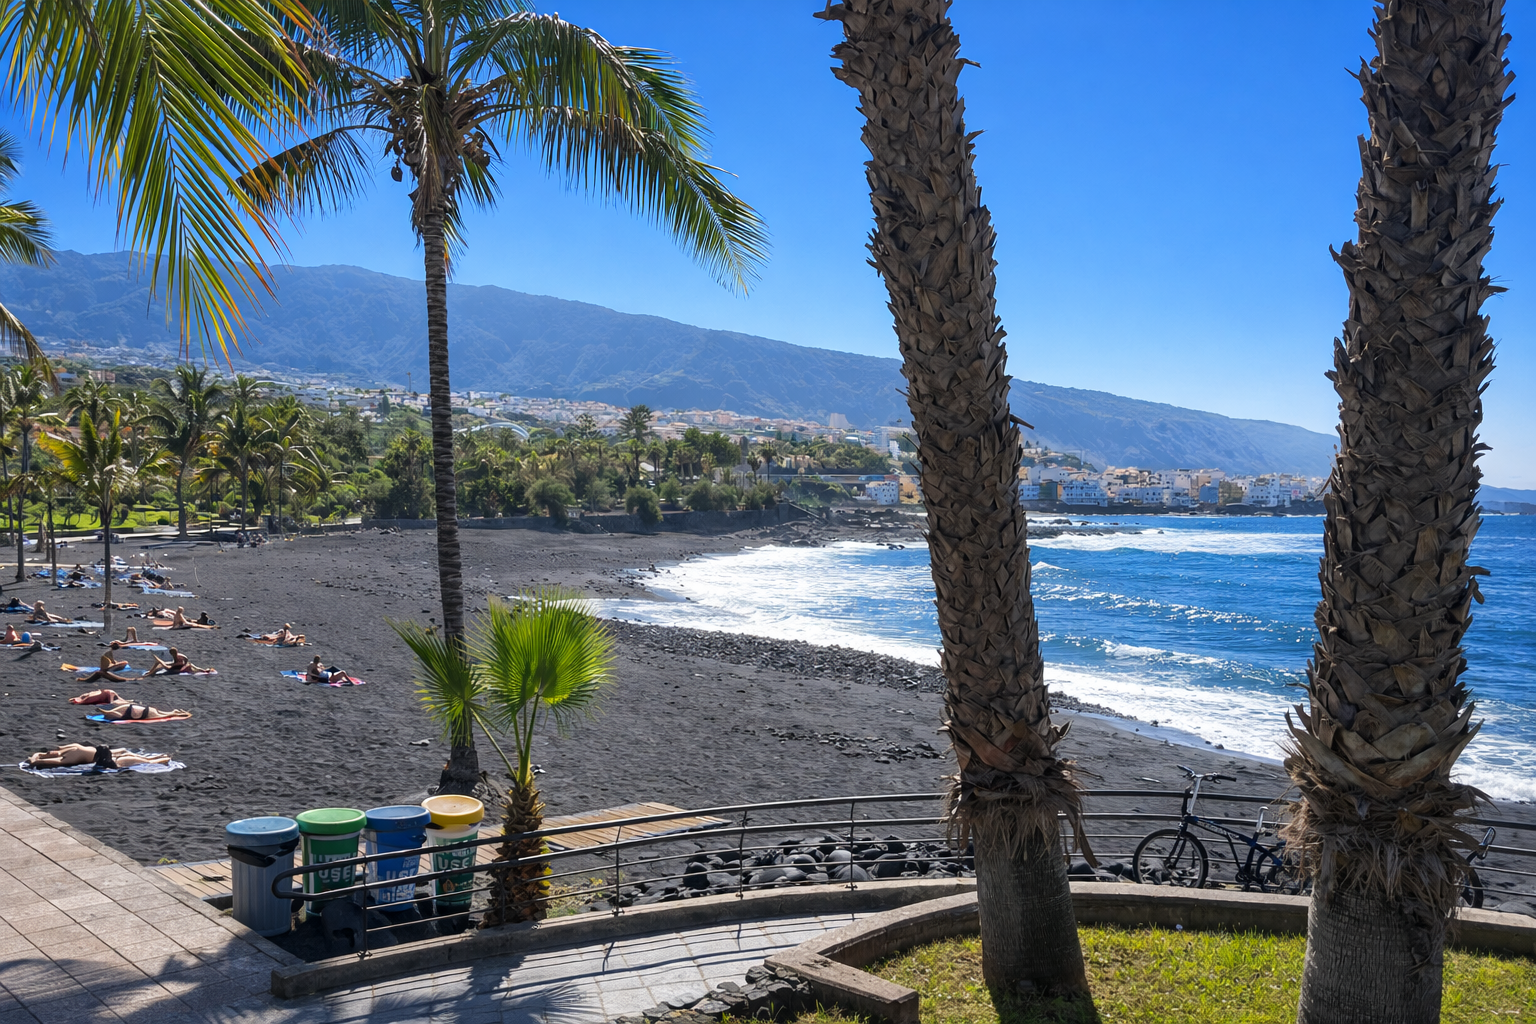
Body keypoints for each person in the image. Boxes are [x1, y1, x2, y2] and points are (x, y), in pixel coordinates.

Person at [26, 744, 170, 769]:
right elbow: (37, 761)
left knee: (147, 760)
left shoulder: (66, 754)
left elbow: (35, 762)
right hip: (114, 759)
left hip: (112, 758)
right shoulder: (68, 755)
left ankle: (163, 758)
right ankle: (162, 759)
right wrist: (37, 756)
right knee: (146, 760)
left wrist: (36, 756)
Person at [95, 701, 190, 722]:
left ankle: (177, 712)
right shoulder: (120, 712)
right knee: (166, 714)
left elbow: (113, 713)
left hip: (145, 713)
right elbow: (113, 712)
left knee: (166, 715)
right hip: (145, 710)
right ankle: (177, 712)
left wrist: (106, 712)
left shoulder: (120, 715)